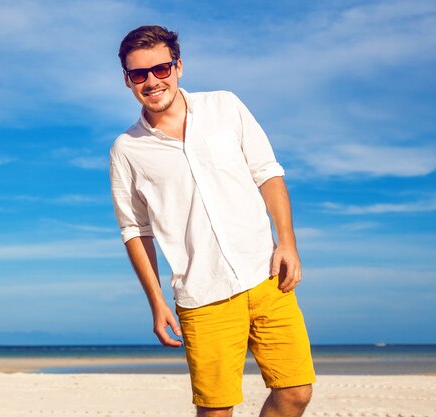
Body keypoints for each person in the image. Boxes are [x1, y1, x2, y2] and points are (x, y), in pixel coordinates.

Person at [109, 25, 315, 417]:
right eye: (139, 74)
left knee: (296, 391)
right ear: (127, 81)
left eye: (161, 69)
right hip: (203, 293)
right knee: (217, 411)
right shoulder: (126, 149)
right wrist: (156, 302)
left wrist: (287, 243)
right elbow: (135, 231)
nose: (152, 81)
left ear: (178, 66)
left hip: (266, 274)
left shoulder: (225, 106)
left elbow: (267, 173)